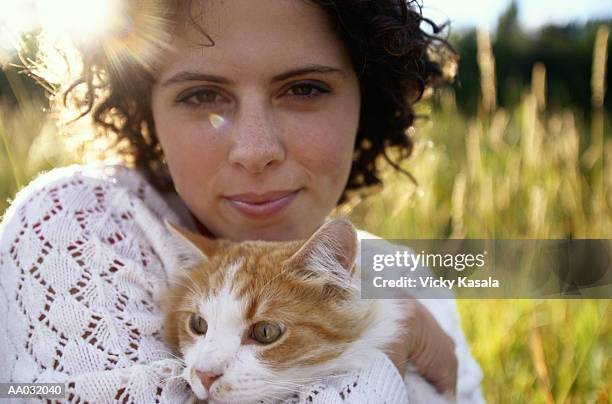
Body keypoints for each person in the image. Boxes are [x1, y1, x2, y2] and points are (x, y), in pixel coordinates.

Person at [0, 0, 483, 402]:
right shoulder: (73, 222)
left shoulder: (409, 277)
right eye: (202, 95)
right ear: (144, 106)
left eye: (304, 88)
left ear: (368, 100)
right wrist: (378, 350)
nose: (255, 151)